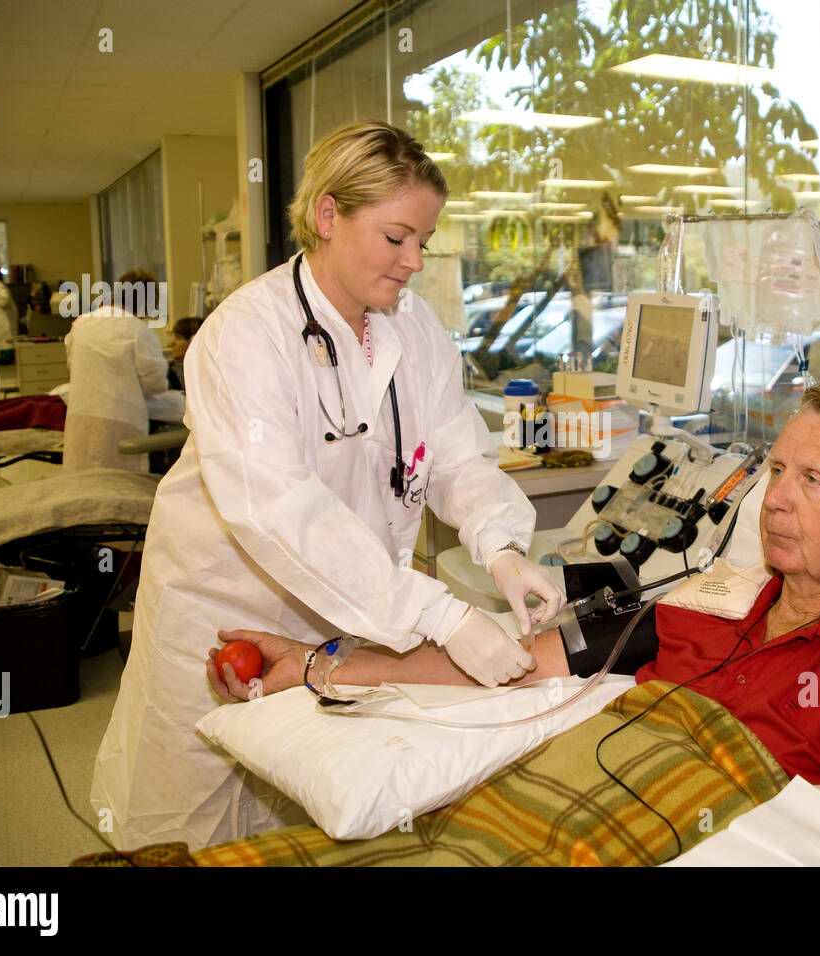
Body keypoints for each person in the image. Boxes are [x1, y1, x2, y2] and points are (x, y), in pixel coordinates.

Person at [210, 381, 820, 865]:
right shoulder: (711, 600)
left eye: (813, 478)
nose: (775, 499)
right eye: (775, 471)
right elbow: (515, 663)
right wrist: (319, 664)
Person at [91, 122, 563, 851]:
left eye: (424, 242)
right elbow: (280, 509)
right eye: (397, 237)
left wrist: (500, 547)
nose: (414, 262)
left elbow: (456, 455)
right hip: (224, 610)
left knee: (313, 818)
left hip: (347, 619)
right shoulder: (247, 335)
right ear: (328, 216)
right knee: (187, 828)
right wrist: (441, 617)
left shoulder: (416, 331)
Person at [61, 269, 169, 473]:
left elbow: (73, 365)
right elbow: (155, 384)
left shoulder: (81, 323)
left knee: (82, 480)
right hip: (122, 418)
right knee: (123, 484)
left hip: (80, 415)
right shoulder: (137, 330)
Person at [166, 316, 203, 390]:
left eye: (178, 338)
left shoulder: (202, 372)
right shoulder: (170, 369)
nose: (172, 343)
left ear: (193, 341)